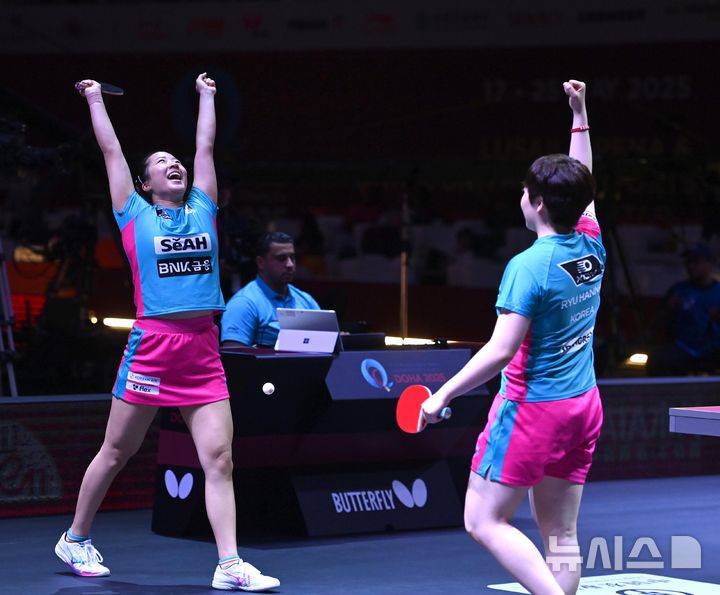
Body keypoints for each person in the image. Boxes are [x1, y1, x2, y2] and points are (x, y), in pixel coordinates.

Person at [57, 74, 280, 592]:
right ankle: (75, 537)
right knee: (117, 451)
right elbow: (110, 150)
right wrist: (95, 98)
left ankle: (229, 564)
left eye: (174, 160)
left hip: (203, 347)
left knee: (219, 458)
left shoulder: (203, 207)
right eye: (160, 163)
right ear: (144, 184)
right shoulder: (133, 213)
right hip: (154, 347)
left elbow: (205, 146)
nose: (172, 164)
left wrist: (207, 96)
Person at [420, 80, 602, 595]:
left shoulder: (528, 267)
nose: (520, 197)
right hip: (583, 405)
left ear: (538, 203)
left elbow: (501, 351)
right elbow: (584, 183)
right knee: (561, 533)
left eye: (524, 192)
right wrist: (579, 115)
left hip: (532, 409)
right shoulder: (591, 242)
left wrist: (441, 395)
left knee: (483, 520)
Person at [220, 231, 320, 348]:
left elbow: (325, 344)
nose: (290, 264)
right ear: (261, 262)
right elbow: (234, 356)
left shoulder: (306, 300)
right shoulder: (243, 303)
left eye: (292, 257)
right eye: (281, 258)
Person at [647, 243, 720, 375]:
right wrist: (669, 308)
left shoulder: (718, 291)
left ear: (710, 263)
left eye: (696, 262)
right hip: (683, 348)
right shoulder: (678, 290)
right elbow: (655, 323)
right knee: (657, 359)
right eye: (688, 262)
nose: (691, 266)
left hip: (713, 348)